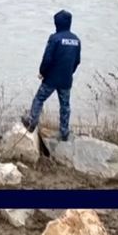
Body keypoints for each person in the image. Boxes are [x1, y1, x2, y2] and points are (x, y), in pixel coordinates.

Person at [22, 10, 81, 141]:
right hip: (66, 79)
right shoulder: (76, 40)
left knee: (39, 98)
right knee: (65, 105)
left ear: (57, 24)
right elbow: (77, 61)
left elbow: (47, 59)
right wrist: (69, 72)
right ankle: (64, 132)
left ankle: (32, 122)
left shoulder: (55, 38)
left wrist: (42, 72)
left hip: (51, 79)